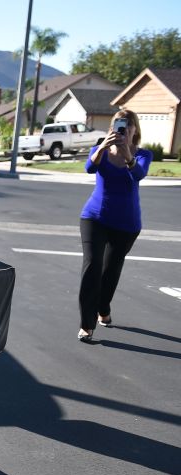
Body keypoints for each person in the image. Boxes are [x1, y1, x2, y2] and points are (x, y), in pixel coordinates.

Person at [77, 109, 151, 342]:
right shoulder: (100, 149)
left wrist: (127, 153)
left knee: (110, 273)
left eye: (128, 125)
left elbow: (137, 175)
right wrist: (101, 147)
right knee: (92, 267)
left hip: (126, 224)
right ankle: (87, 325)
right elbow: (89, 168)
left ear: (135, 129)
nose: (123, 128)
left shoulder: (142, 155)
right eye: (118, 124)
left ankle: (104, 309)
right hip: (94, 218)